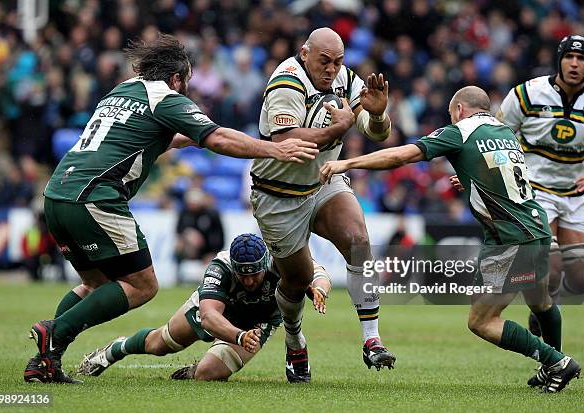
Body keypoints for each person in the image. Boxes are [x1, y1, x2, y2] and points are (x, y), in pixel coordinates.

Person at [24, 33, 318, 384]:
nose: (186, 88)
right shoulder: (166, 98)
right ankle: (53, 333)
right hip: (95, 197)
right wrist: (276, 149)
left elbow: (150, 135)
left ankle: (46, 360)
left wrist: (194, 137)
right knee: (143, 285)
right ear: (176, 78)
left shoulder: (123, 90)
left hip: (58, 194)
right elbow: (218, 138)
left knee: (95, 284)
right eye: (186, 82)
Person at [320, 86, 581, 393]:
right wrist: (471, 177)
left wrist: (347, 163)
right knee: (540, 301)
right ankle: (553, 364)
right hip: (538, 229)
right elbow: (504, 173)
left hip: (510, 238)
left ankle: (556, 362)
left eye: (450, 114)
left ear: (459, 110)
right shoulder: (505, 132)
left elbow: (401, 155)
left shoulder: (461, 131)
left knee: (481, 320)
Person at [249, 27, 395, 382]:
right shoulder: (287, 80)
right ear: (304, 54)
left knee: (359, 241)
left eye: (338, 62)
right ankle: (294, 338)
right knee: (297, 281)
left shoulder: (346, 78)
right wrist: (337, 129)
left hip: (322, 182)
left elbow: (377, 133)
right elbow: (286, 140)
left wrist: (376, 115)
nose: (332, 69)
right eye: (324, 61)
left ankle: (371, 340)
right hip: (277, 193)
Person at [76, 233, 332, 382]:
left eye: (255, 274)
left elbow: (319, 273)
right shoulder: (220, 267)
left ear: (265, 264)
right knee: (160, 344)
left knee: (208, 374)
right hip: (221, 312)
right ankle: (115, 349)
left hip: (258, 322)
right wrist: (238, 336)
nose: (250, 280)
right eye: (243, 275)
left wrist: (320, 289)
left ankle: (193, 370)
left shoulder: (280, 260)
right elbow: (209, 316)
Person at [495, 35, 584, 358]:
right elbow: (497, 135)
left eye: (581, 59)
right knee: (550, 270)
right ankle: (541, 319)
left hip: (574, 193)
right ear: (559, 60)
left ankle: (539, 309)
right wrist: (486, 172)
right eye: (568, 57)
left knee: (583, 280)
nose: (574, 64)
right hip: (534, 191)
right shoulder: (527, 94)